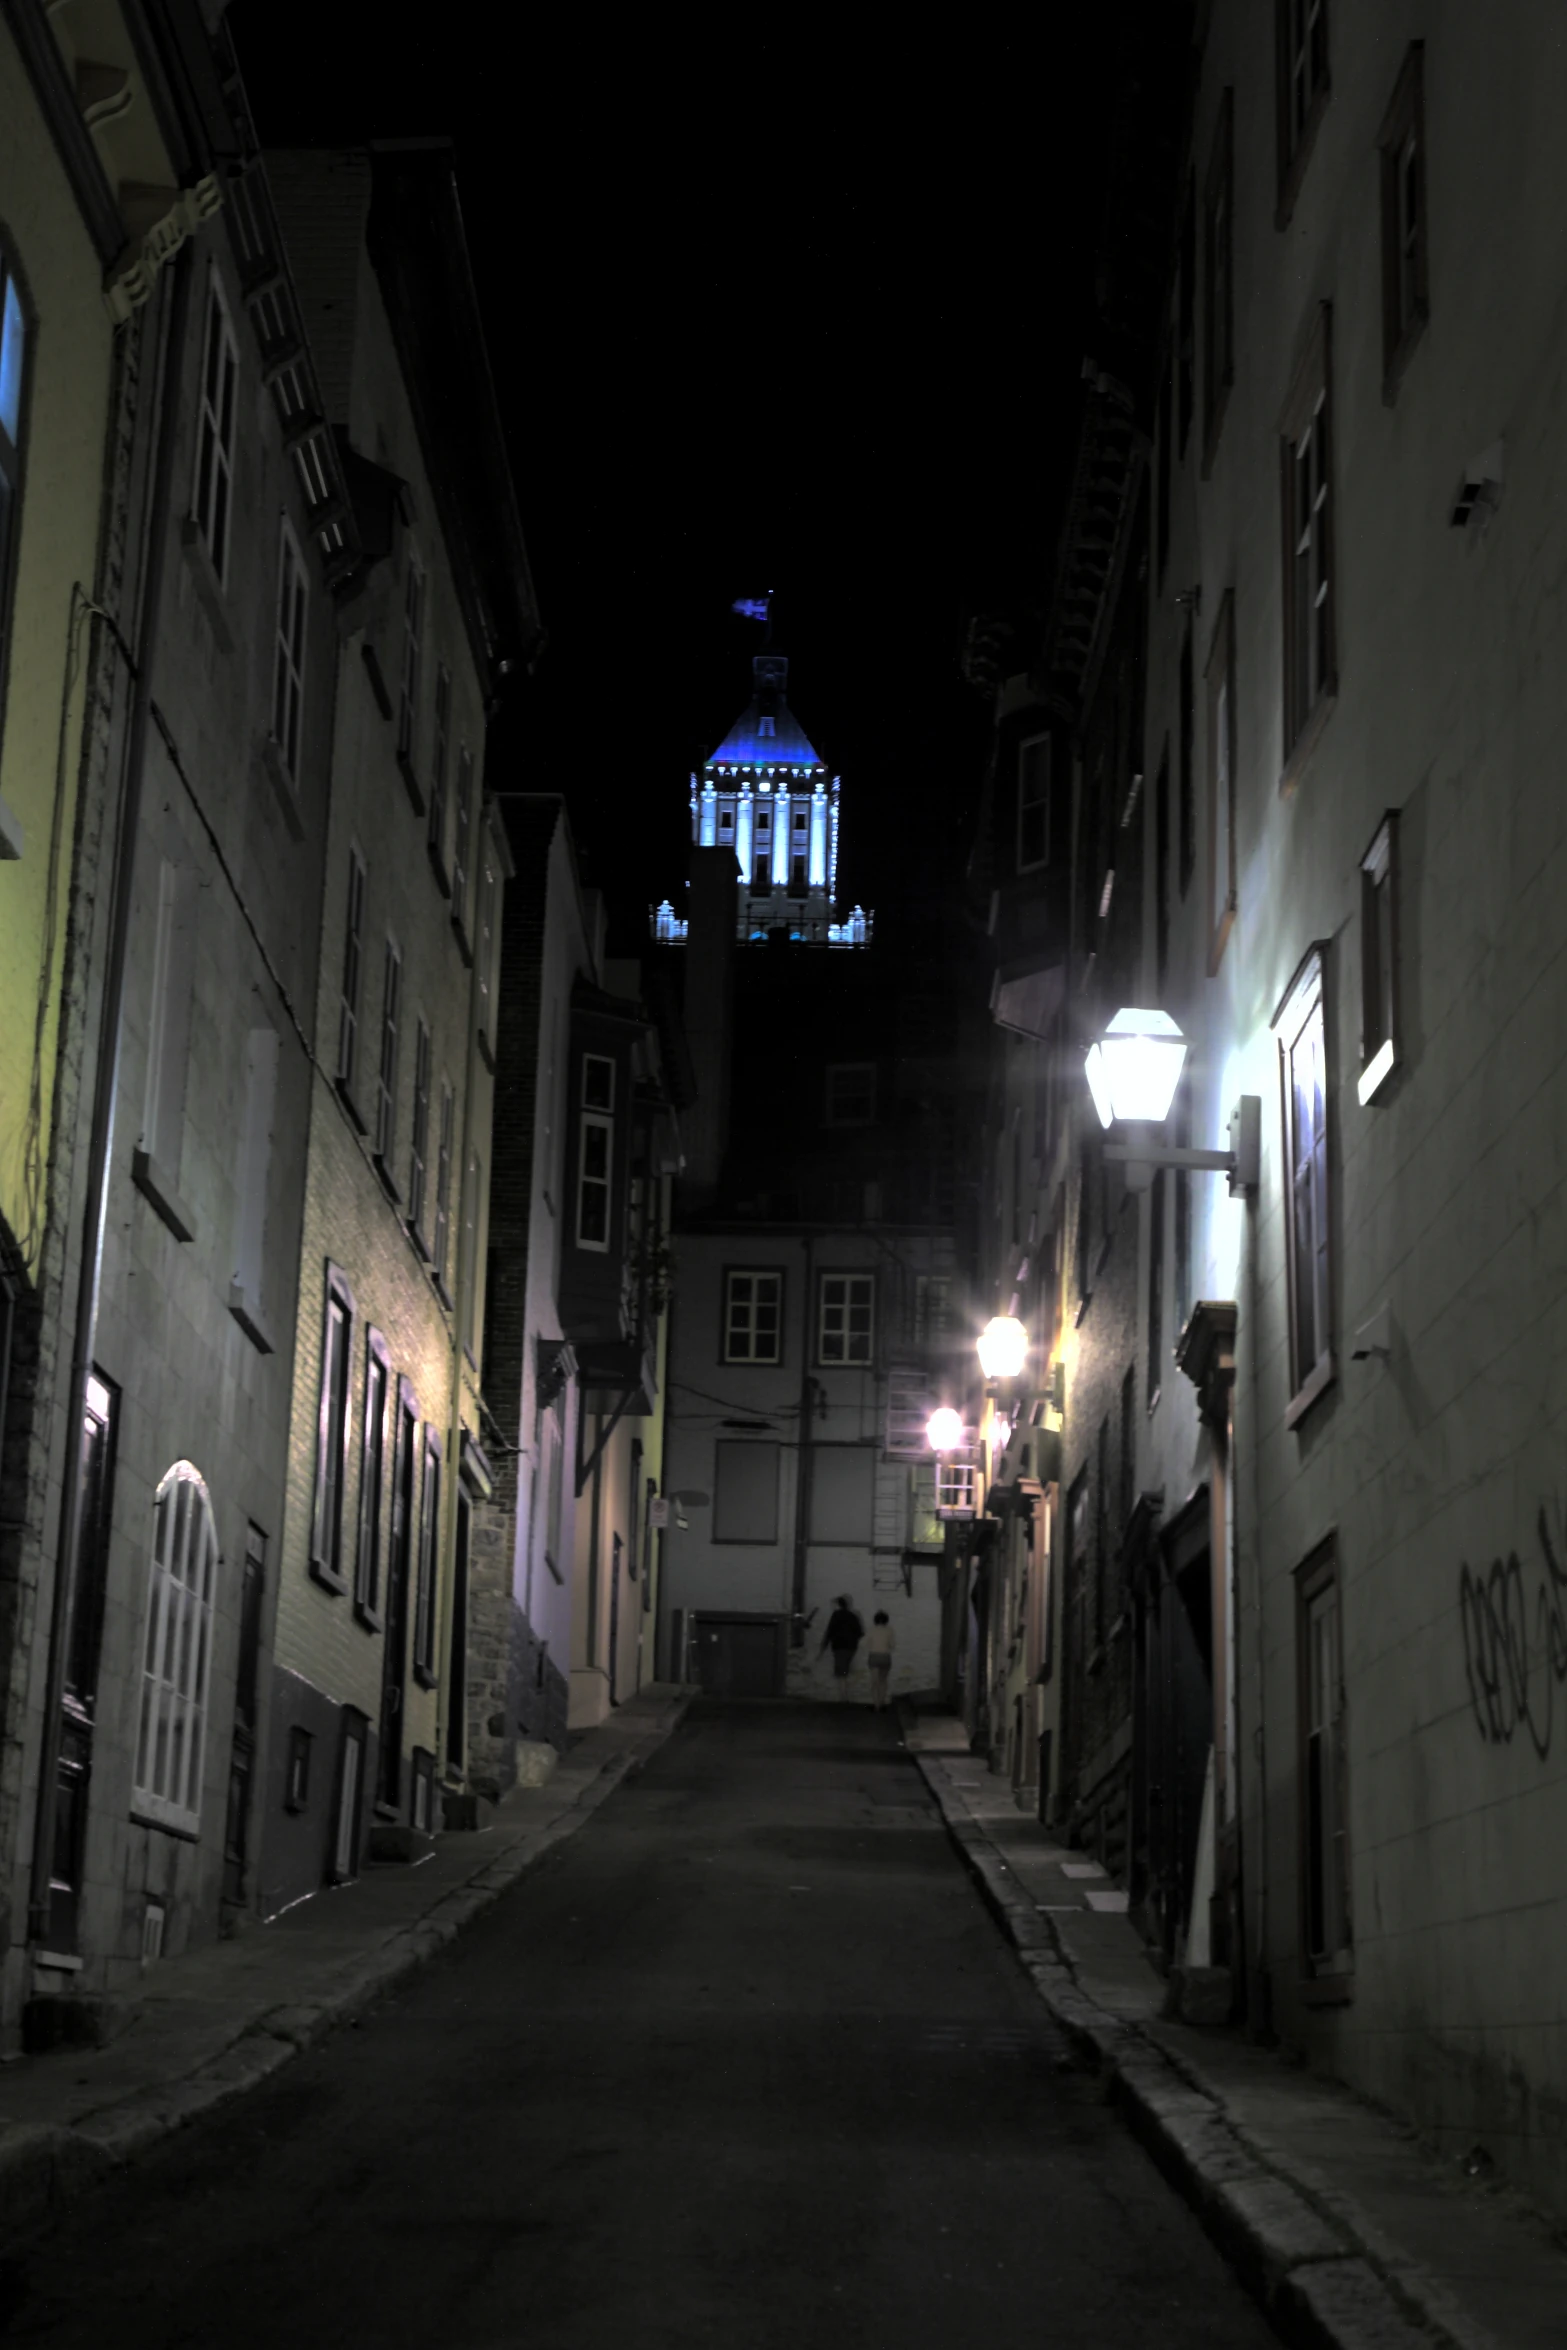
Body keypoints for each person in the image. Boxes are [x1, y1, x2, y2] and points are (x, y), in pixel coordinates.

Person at [819, 1594, 864, 1699]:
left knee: (842, 1673)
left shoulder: (836, 1615)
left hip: (840, 1646)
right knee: (844, 1670)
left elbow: (829, 1632)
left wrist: (822, 1648)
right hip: (851, 1647)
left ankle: (844, 1696)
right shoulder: (853, 1616)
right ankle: (845, 1694)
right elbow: (860, 1632)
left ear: (838, 1605)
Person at [866, 1610, 895, 1709]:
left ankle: (876, 1704)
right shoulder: (889, 1630)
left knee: (874, 1682)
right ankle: (882, 1702)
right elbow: (892, 1645)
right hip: (885, 1657)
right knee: (883, 1681)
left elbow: (868, 1644)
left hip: (874, 1656)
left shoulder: (871, 1630)